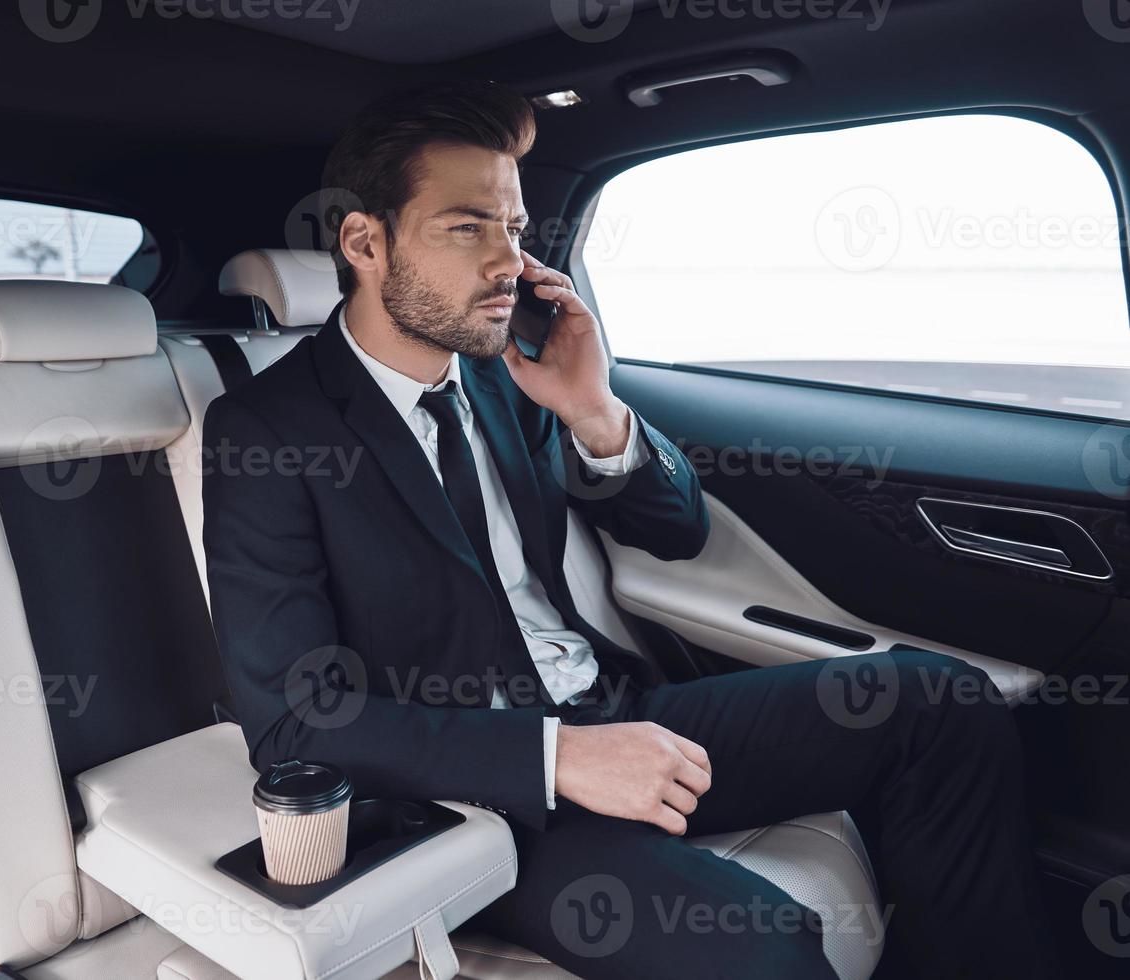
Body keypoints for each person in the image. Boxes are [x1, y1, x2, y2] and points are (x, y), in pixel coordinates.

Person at [202, 80, 1057, 979]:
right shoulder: (268, 431)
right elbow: (295, 724)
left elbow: (678, 531)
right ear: (365, 242)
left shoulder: (501, 375)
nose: (506, 263)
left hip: (615, 710)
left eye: (516, 230)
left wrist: (597, 411)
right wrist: (557, 757)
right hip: (481, 798)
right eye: (467, 227)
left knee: (942, 705)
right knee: (761, 949)